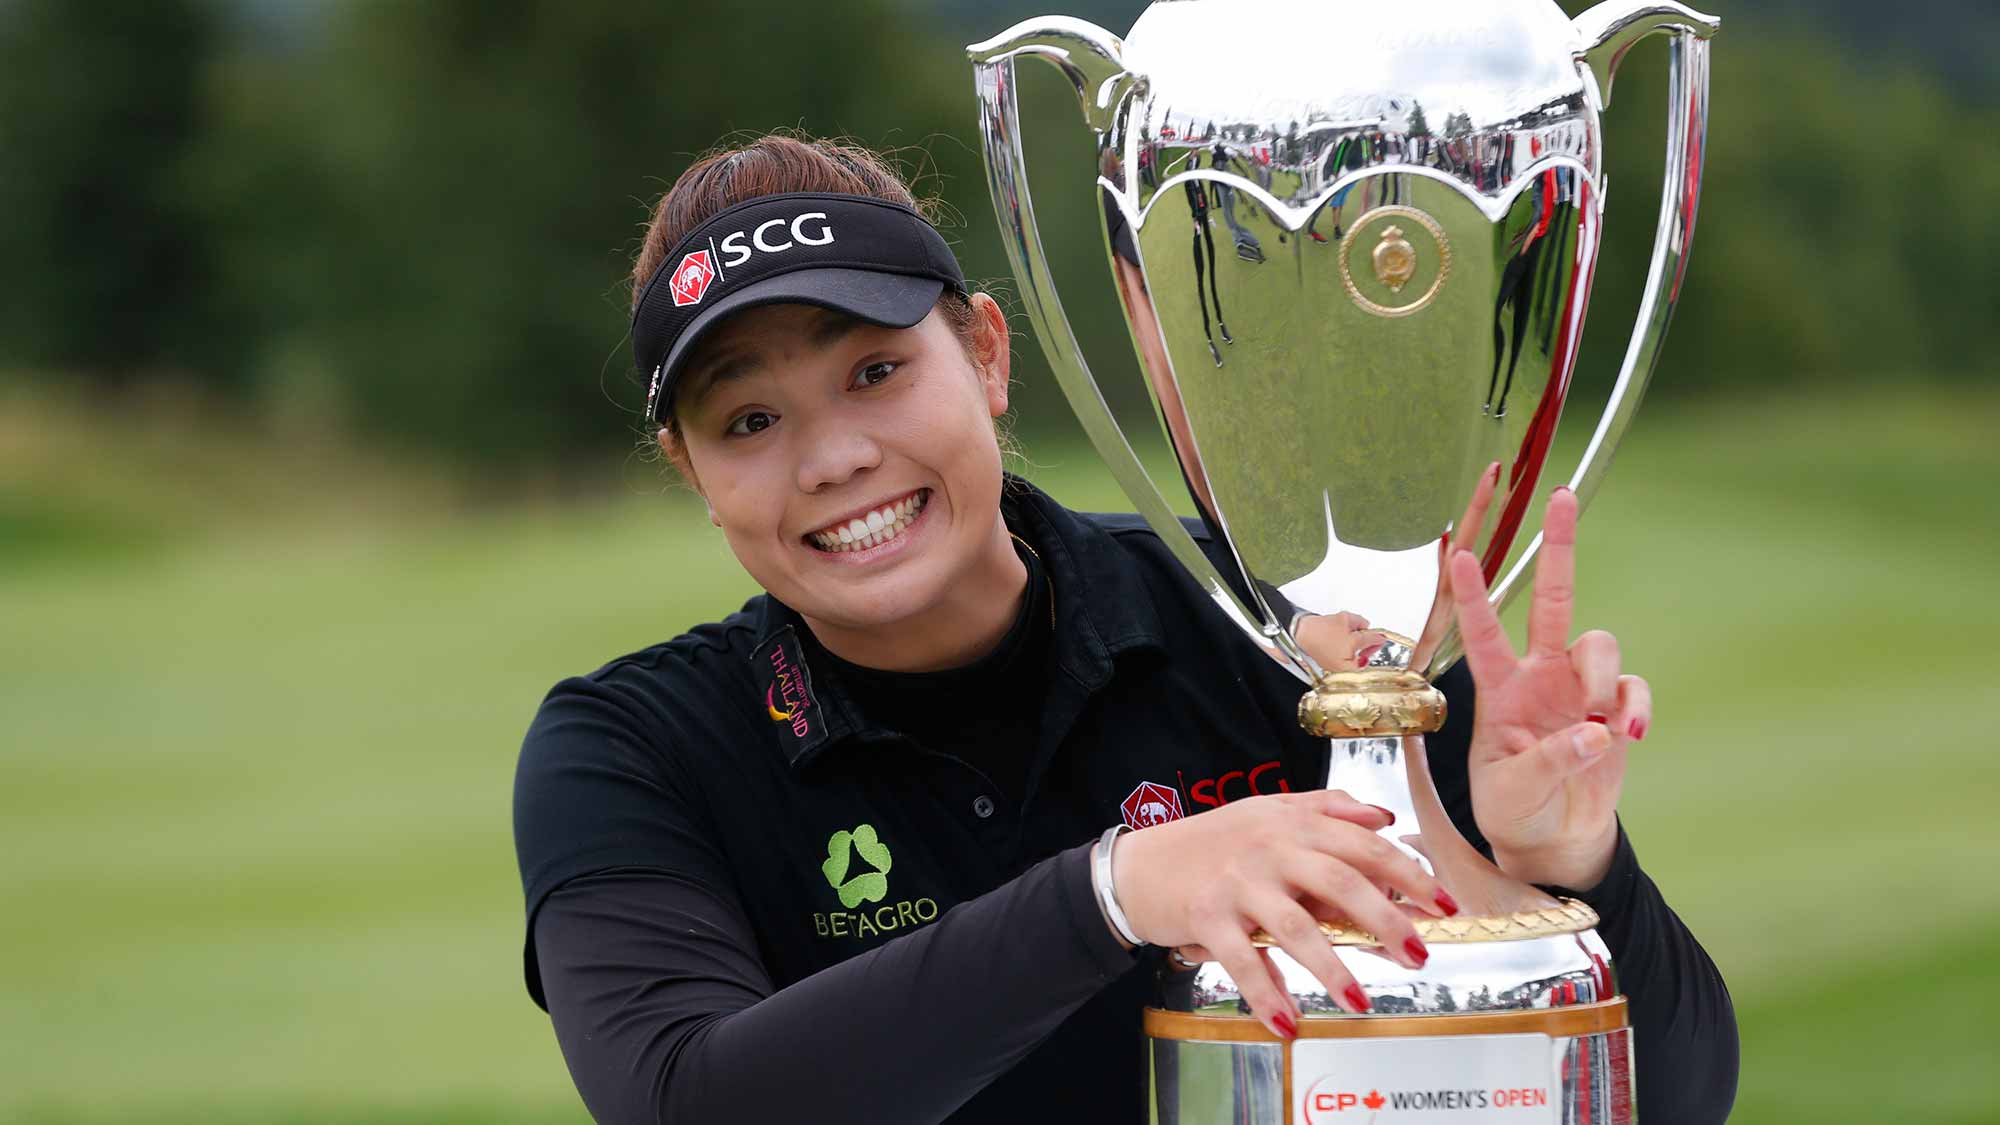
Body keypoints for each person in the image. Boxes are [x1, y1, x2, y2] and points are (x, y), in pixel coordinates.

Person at [512, 134, 1738, 1125]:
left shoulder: (1284, 628)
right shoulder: (630, 749)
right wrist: (1119, 890)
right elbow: (684, 1099)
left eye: (875, 372)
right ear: (691, 471)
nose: (833, 458)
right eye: (748, 422)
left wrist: (1568, 876)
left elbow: (1671, 1100)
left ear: (985, 354)